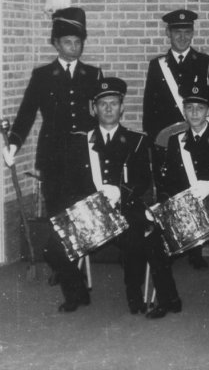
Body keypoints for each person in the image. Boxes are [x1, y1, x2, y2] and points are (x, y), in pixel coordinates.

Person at [48, 78, 180, 315]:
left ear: (122, 108)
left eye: (114, 103)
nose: (108, 108)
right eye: (102, 104)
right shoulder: (78, 141)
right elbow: (68, 182)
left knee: (138, 239)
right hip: (90, 211)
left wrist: (120, 192)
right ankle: (77, 291)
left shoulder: (137, 140)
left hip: (125, 206)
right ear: (93, 108)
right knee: (52, 245)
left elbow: (143, 180)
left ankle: (133, 291)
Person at [3, 7, 103, 216]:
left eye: (78, 43)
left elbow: (103, 114)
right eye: (68, 42)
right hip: (53, 156)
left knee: (88, 212)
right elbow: (27, 113)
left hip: (86, 153)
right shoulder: (43, 76)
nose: (73, 48)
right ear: (56, 44)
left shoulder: (93, 74)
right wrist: (14, 143)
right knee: (58, 212)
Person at [156, 83, 209, 319]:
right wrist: (164, 205)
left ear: (208, 111)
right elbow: (170, 182)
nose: (194, 112)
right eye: (190, 107)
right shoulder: (176, 141)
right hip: (188, 214)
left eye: (200, 108)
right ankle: (168, 298)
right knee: (156, 242)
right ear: (184, 111)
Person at [143, 8, 209, 269]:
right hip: (167, 141)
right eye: (177, 32)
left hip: (196, 136)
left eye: (187, 32)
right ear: (168, 33)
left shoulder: (205, 62)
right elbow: (149, 108)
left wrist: (207, 130)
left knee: (195, 186)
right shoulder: (157, 66)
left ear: (192, 33)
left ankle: (197, 248)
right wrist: (156, 142)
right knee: (171, 191)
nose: (182, 37)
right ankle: (173, 241)